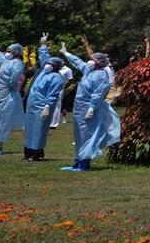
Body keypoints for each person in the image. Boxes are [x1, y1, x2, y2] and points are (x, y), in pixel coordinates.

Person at [60, 41, 122, 171]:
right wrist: (66, 53)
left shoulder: (101, 75)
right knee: (79, 135)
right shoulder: (88, 70)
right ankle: (78, 161)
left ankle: (84, 163)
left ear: (99, 62)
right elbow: (78, 62)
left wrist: (92, 108)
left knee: (87, 135)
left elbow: (98, 93)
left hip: (91, 109)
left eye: (93, 59)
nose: (90, 61)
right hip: (79, 107)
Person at [22, 56, 68, 161]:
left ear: (55, 67)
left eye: (50, 64)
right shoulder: (43, 73)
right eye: (47, 63)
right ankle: (28, 151)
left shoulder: (57, 78)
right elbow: (43, 58)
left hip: (42, 106)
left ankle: (36, 153)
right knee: (29, 129)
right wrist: (43, 47)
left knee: (39, 129)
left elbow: (53, 94)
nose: (47, 65)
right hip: (32, 105)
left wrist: (47, 106)